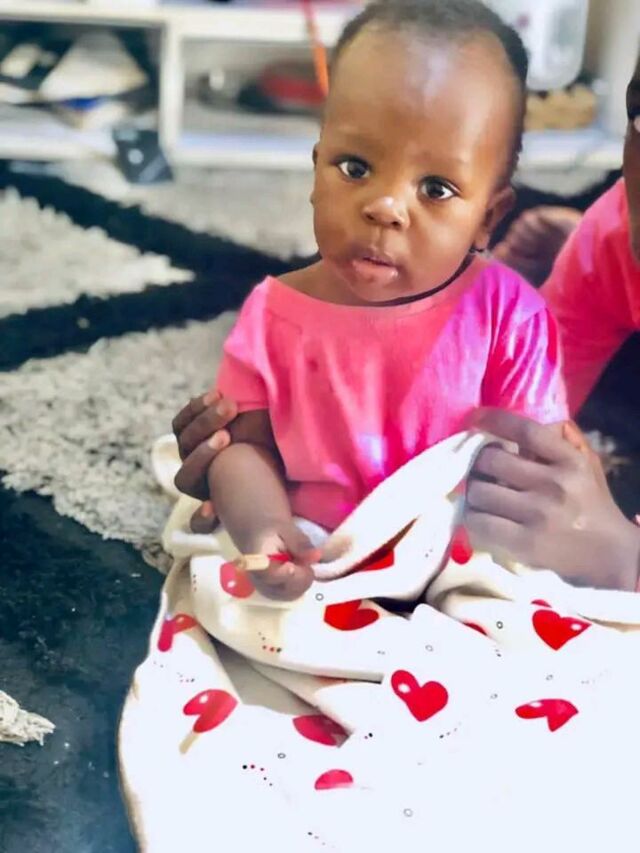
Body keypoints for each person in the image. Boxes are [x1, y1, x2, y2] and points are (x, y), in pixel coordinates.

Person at [175, 0, 568, 602]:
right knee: (231, 606)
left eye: (436, 188)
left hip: (457, 558)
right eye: (355, 167)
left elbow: (536, 468)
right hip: (318, 554)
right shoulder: (274, 312)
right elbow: (242, 450)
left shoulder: (508, 317)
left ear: (488, 218)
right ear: (316, 170)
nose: (385, 207)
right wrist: (264, 531)